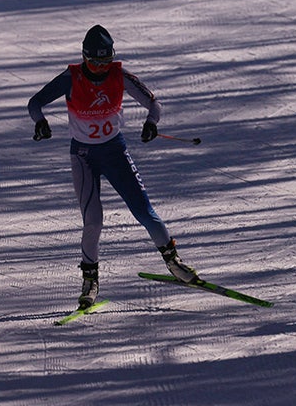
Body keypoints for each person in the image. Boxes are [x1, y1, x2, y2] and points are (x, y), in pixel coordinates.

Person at [28, 24, 198, 309]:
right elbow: (35, 103)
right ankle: (90, 280)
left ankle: (174, 263)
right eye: (93, 62)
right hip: (83, 157)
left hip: (115, 151)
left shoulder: (120, 76)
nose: (99, 68)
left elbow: (154, 104)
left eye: (105, 61)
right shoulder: (71, 77)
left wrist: (151, 124)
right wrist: (40, 122)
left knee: (144, 210)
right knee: (93, 221)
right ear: (84, 57)